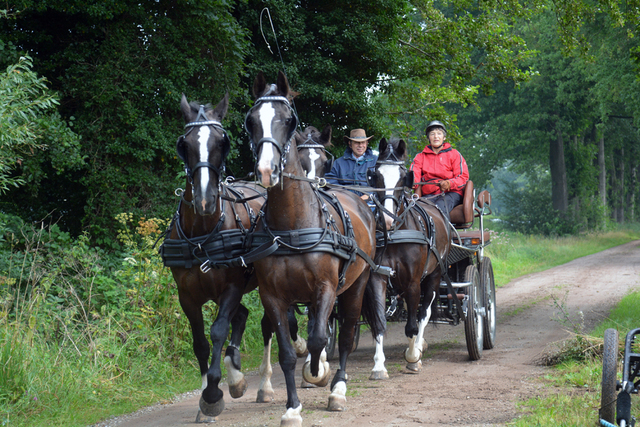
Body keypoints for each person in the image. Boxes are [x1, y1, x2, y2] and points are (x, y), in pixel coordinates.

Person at [410, 120, 469, 220]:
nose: (436, 136)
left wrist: (449, 183)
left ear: (444, 137)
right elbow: (413, 174)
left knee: (438, 208)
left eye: (439, 133)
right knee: (417, 210)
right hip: (428, 194)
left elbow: (463, 177)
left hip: (450, 193)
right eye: (432, 134)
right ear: (428, 138)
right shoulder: (420, 157)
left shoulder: (454, 154)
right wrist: (411, 182)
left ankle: (444, 235)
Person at [326, 128, 377, 199]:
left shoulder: (376, 161)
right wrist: (345, 196)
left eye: (363, 142)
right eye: (357, 142)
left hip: (371, 202)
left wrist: (369, 195)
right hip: (345, 203)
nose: (360, 145)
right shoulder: (338, 163)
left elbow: (382, 184)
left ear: (367, 143)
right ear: (350, 144)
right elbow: (330, 181)